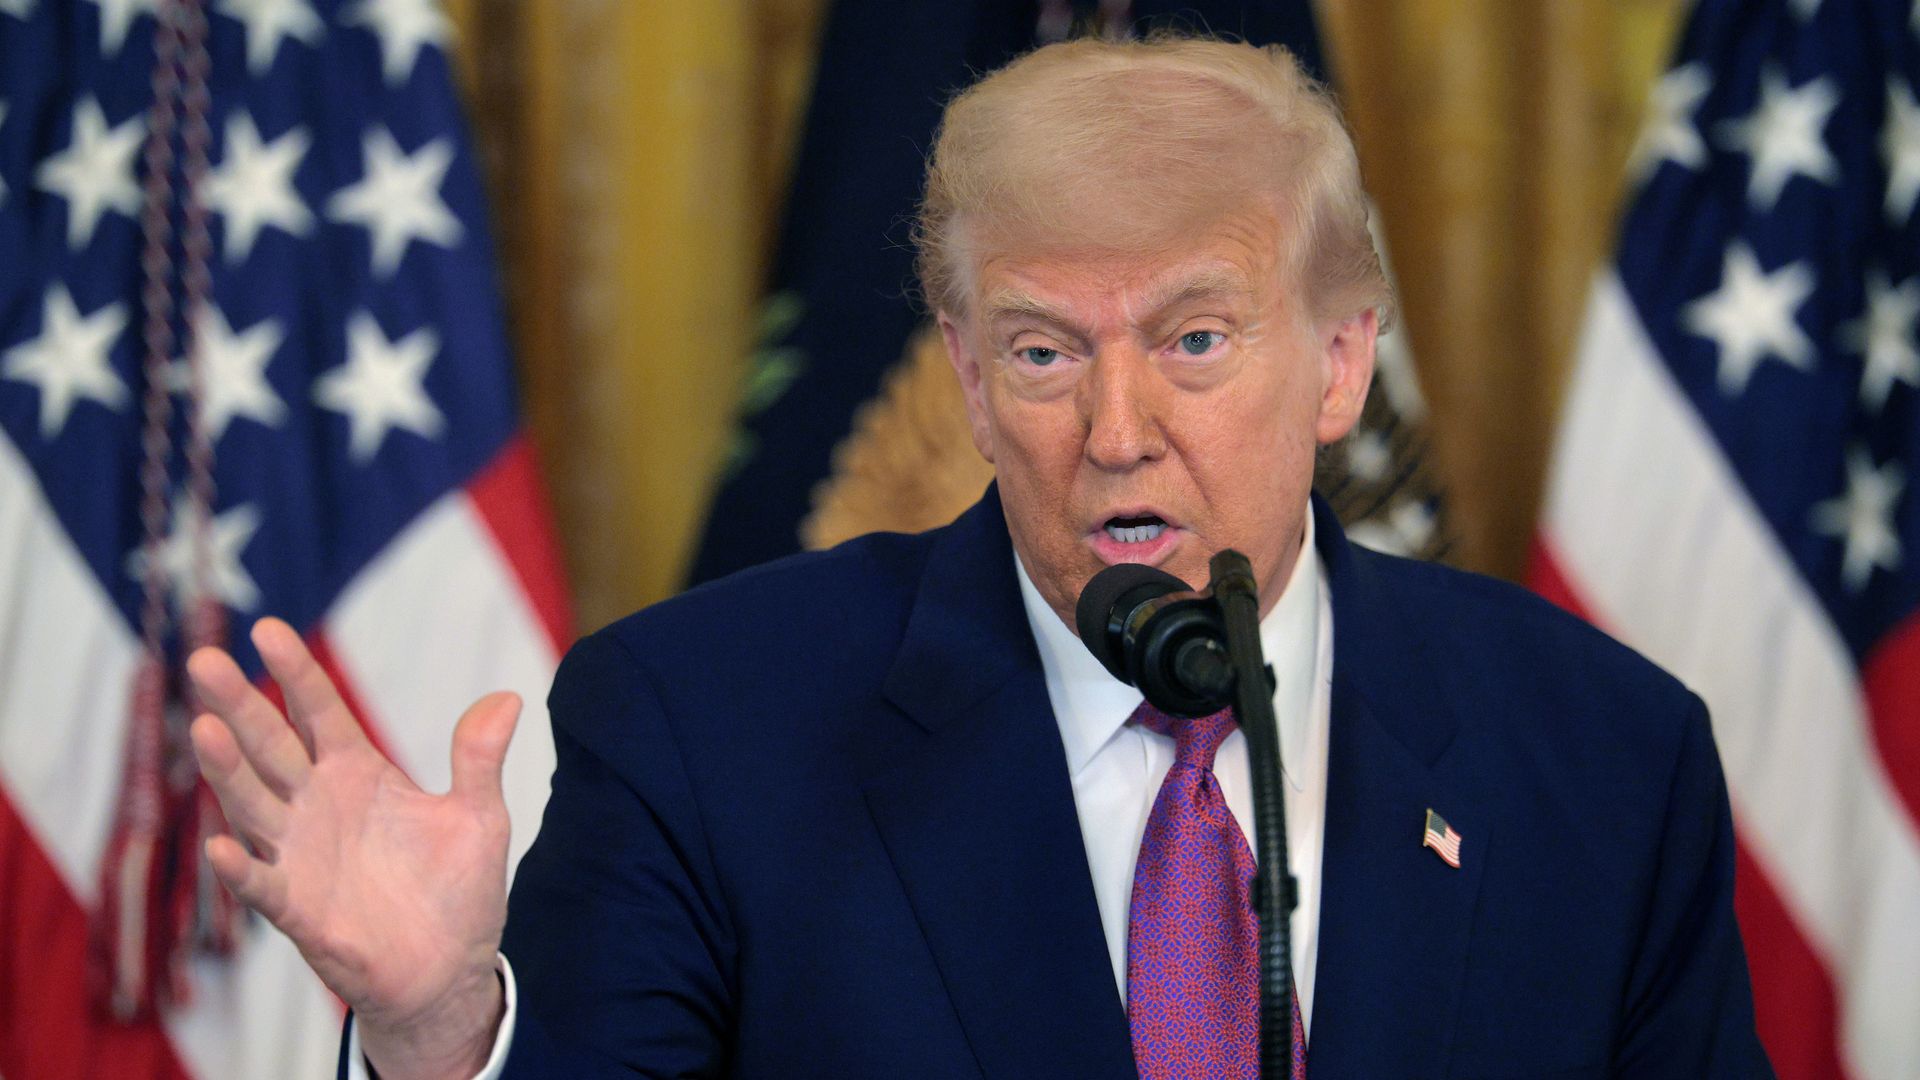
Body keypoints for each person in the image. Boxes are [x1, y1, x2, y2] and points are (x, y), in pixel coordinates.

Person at [187, 34, 1772, 1079]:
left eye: (1197, 339)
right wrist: (439, 1027)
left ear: (1344, 362)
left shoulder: (1603, 759)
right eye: (1039, 352)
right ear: (960, 369)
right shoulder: (703, 726)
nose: (1117, 426)